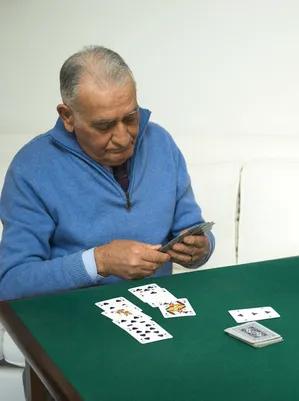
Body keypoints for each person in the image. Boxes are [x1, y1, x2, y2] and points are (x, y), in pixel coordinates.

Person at [0, 45, 215, 302]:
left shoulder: (160, 142)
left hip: (158, 313)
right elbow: (11, 282)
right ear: (68, 116)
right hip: (73, 321)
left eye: (130, 117)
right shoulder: (30, 169)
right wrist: (98, 262)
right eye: (104, 125)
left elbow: (191, 227)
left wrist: (202, 248)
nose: (124, 138)